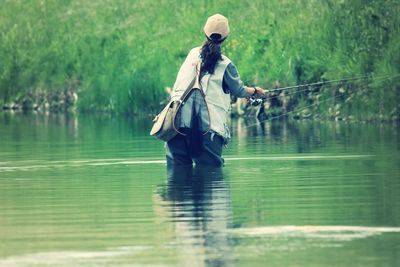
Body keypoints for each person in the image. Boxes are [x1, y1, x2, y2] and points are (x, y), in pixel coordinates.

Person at [166, 14, 266, 167]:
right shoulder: (226, 64)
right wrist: (253, 91)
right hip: (208, 130)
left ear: (204, 32)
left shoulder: (192, 54)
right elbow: (238, 90)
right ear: (227, 37)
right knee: (212, 175)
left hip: (175, 125)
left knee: (177, 177)